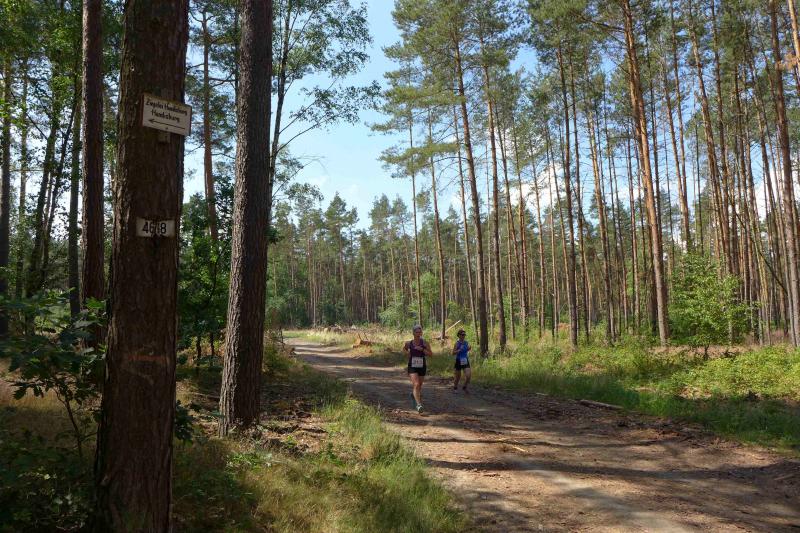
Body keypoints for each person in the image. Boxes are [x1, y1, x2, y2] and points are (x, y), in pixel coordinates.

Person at [403, 324, 432, 413]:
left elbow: (431, 354)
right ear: (413, 333)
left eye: (420, 332)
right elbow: (404, 349)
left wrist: (422, 350)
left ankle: (413, 395)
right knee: (416, 384)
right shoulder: (409, 343)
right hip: (412, 365)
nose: (419, 334)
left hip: (422, 365)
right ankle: (419, 405)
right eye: (417, 332)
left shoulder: (425, 343)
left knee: (420, 385)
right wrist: (407, 353)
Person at [452, 329, 472, 393]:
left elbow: (466, 350)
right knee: (458, 377)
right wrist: (459, 350)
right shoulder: (457, 343)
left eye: (464, 335)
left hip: (465, 360)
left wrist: (468, 349)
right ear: (459, 335)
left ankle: (464, 387)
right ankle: (455, 387)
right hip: (458, 360)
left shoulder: (466, 342)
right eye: (462, 335)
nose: (464, 336)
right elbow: (453, 353)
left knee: (468, 375)